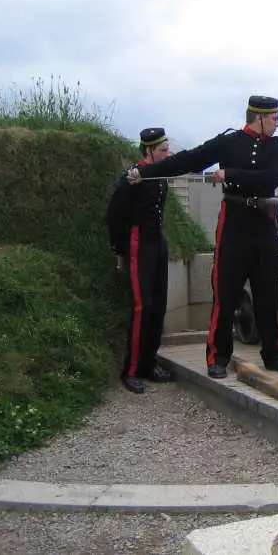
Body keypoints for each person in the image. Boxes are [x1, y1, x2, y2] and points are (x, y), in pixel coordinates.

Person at [126, 96, 278, 378]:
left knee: (268, 293)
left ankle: (273, 354)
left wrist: (230, 173)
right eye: (274, 118)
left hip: (264, 224)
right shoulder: (229, 142)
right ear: (259, 117)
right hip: (234, 224)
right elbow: (189, 159)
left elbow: (270, 179)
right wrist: (146, 171)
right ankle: (217, 356)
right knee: (225, 294)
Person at [105, 127, 175, 394]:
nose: (167, 155)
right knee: (141, 306)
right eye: (163, 151)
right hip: (139, 243)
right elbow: (116, 216)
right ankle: (131, 369)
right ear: (148, 151)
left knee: (158, 305)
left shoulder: (160, 176)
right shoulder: (132, 178)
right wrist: (119, 251)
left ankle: (149, 362)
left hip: (158, 242)